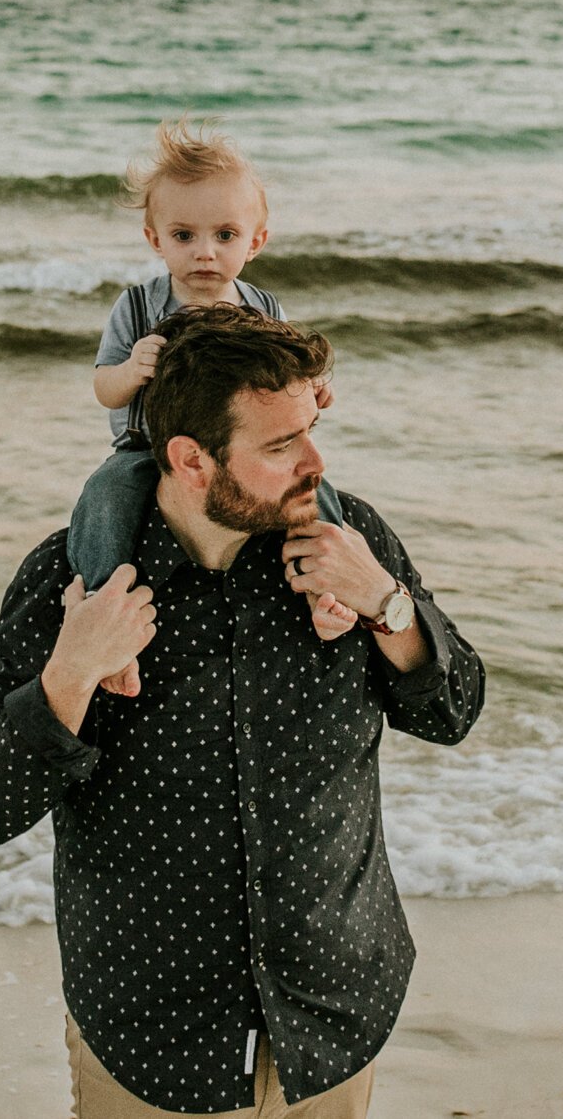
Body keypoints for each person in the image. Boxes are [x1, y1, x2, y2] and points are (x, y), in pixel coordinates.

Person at [0, 305, 487, 1118]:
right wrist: (71, 672)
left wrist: (387, 602)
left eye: (310, 428)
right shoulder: (74, 578)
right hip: (152, 1038)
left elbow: (454, 710)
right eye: (280, 445)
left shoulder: (352, 544)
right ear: (191, 459)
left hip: (332, 1016)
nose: (316, 460)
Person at [73, 119, 351, 698]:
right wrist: (133, 372)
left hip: (238, 452)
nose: (204, 253)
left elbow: (284, 380)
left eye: (225, 235)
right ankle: (106, 625)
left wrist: (311, 393)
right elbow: (103, 388)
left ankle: (330, 590)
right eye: (184, 236)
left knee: (315, 489)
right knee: (104, 499)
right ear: (155, 240)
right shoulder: (137, 307)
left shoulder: (261, 306)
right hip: (148, 448)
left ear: (256, 242)